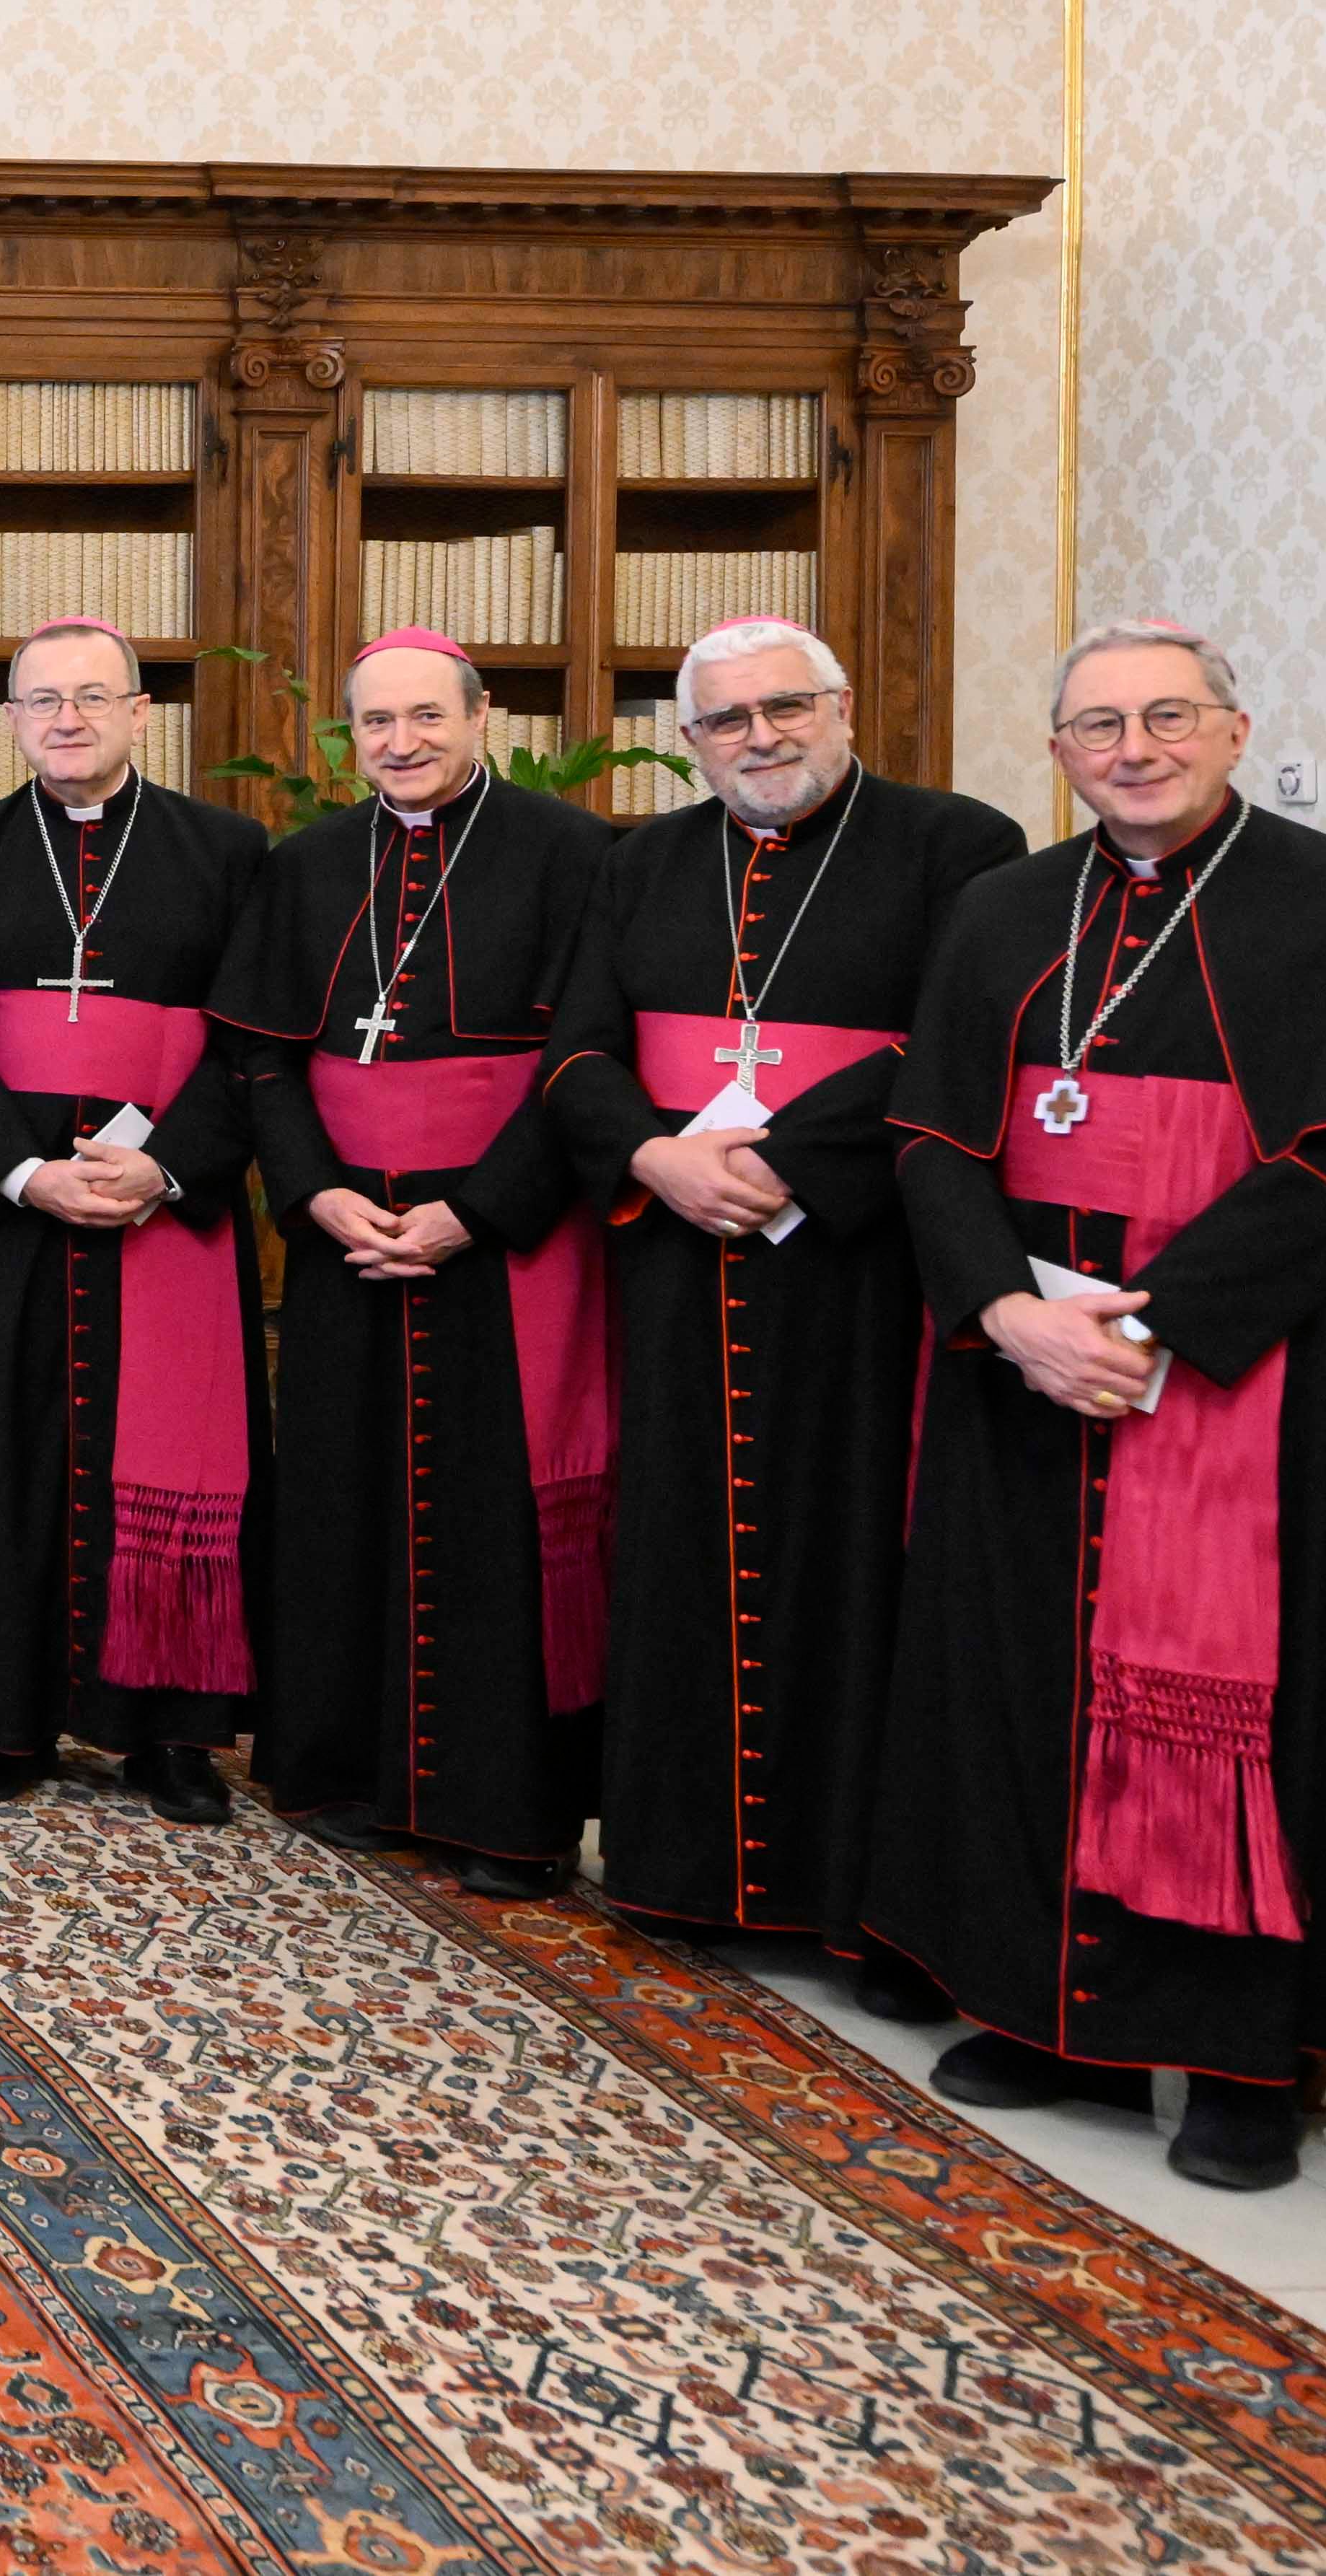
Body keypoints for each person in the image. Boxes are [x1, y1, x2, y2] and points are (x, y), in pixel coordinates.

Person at [871, 621, 1326, 2191]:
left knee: (1245, 1710)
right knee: (1018, 1678)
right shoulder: (1002, 911)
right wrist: (1010, 1313)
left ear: (1230, 726)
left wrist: (1150, 1330)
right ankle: (1035, 2009)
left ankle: (1239, 2054)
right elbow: (934, 1143)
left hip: (1243, 1372)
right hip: (1023, 1365)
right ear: (1059, 749)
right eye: (1095, 724)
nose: (1130, 746)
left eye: (1164, 716)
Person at [539, 619, 1019, 2009]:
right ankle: (682, 1870)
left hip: (859, 1274)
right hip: (677, 1259)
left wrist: (783, 1169)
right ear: (689, 741)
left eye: (786, 707)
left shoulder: (958, 848)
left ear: (843, 704)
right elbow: (577, 1046)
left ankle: (857, 1894)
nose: (760, 736)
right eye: (726, 718)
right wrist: (655, 1156)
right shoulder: (638, 862)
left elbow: (955, 1049)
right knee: (680, 1548)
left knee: (858, 1557)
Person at [211, 635, 618, 1897]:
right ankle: (352, 1774)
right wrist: (319, 1196)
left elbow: (588, 1061)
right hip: (345, 1240)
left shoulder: (572, 853)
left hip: (506, 1242)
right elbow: (265, 1058)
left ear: (482, 716)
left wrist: (475, 1211)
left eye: (425, 717)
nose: (400, 742)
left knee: (499, 1513)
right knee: (347, 1499)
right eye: (376, 722)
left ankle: (509, 1813)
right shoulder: (311, 864)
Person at [0, 621, 268, 1818]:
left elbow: (251, 1043)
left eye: (91, 698)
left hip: (164, 1206)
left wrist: (161, 1168)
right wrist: (22, 1173)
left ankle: (167, 1733)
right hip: (1, 1215)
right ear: (9, 720)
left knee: (159, 1460)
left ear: (142, 711)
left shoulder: (226, 849)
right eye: (42, 700)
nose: (67, 718)